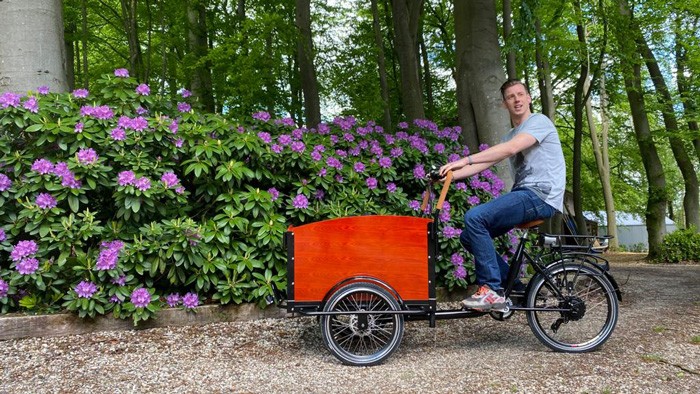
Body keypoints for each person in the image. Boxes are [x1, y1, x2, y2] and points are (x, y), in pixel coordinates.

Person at [439, 79, 565, 311]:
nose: (516, 100)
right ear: (504, 104)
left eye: (520, 95)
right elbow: (485, 162)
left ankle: (492, 290)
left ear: (529, 98)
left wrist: (464, 159)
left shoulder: (539, 122)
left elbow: (510, 149)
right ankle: (514, 288)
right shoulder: (509, 135)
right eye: (510, 97)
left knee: (475, 217)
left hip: (541, 195)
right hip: (525, 195)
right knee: (469, 236)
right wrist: (449, 174)